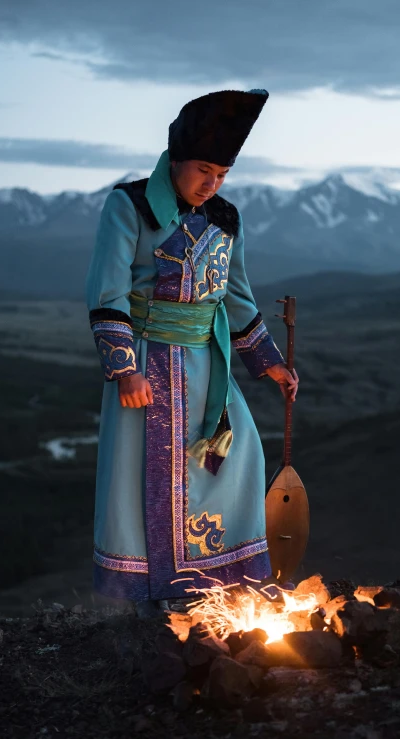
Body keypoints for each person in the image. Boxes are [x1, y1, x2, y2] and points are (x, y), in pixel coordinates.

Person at [85, 88, 299, 616]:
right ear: (175, 160)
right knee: (145, 480)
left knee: (239, 456)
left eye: (222, 174)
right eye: (203, 169)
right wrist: (124, 369)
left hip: (210, 367)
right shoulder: (128, 205)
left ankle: (223, 589)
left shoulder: (227, 217)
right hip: (148, 366)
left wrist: (269, 360)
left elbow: (238, 295)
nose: (212, 184)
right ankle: (159, 599)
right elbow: (107, 291)